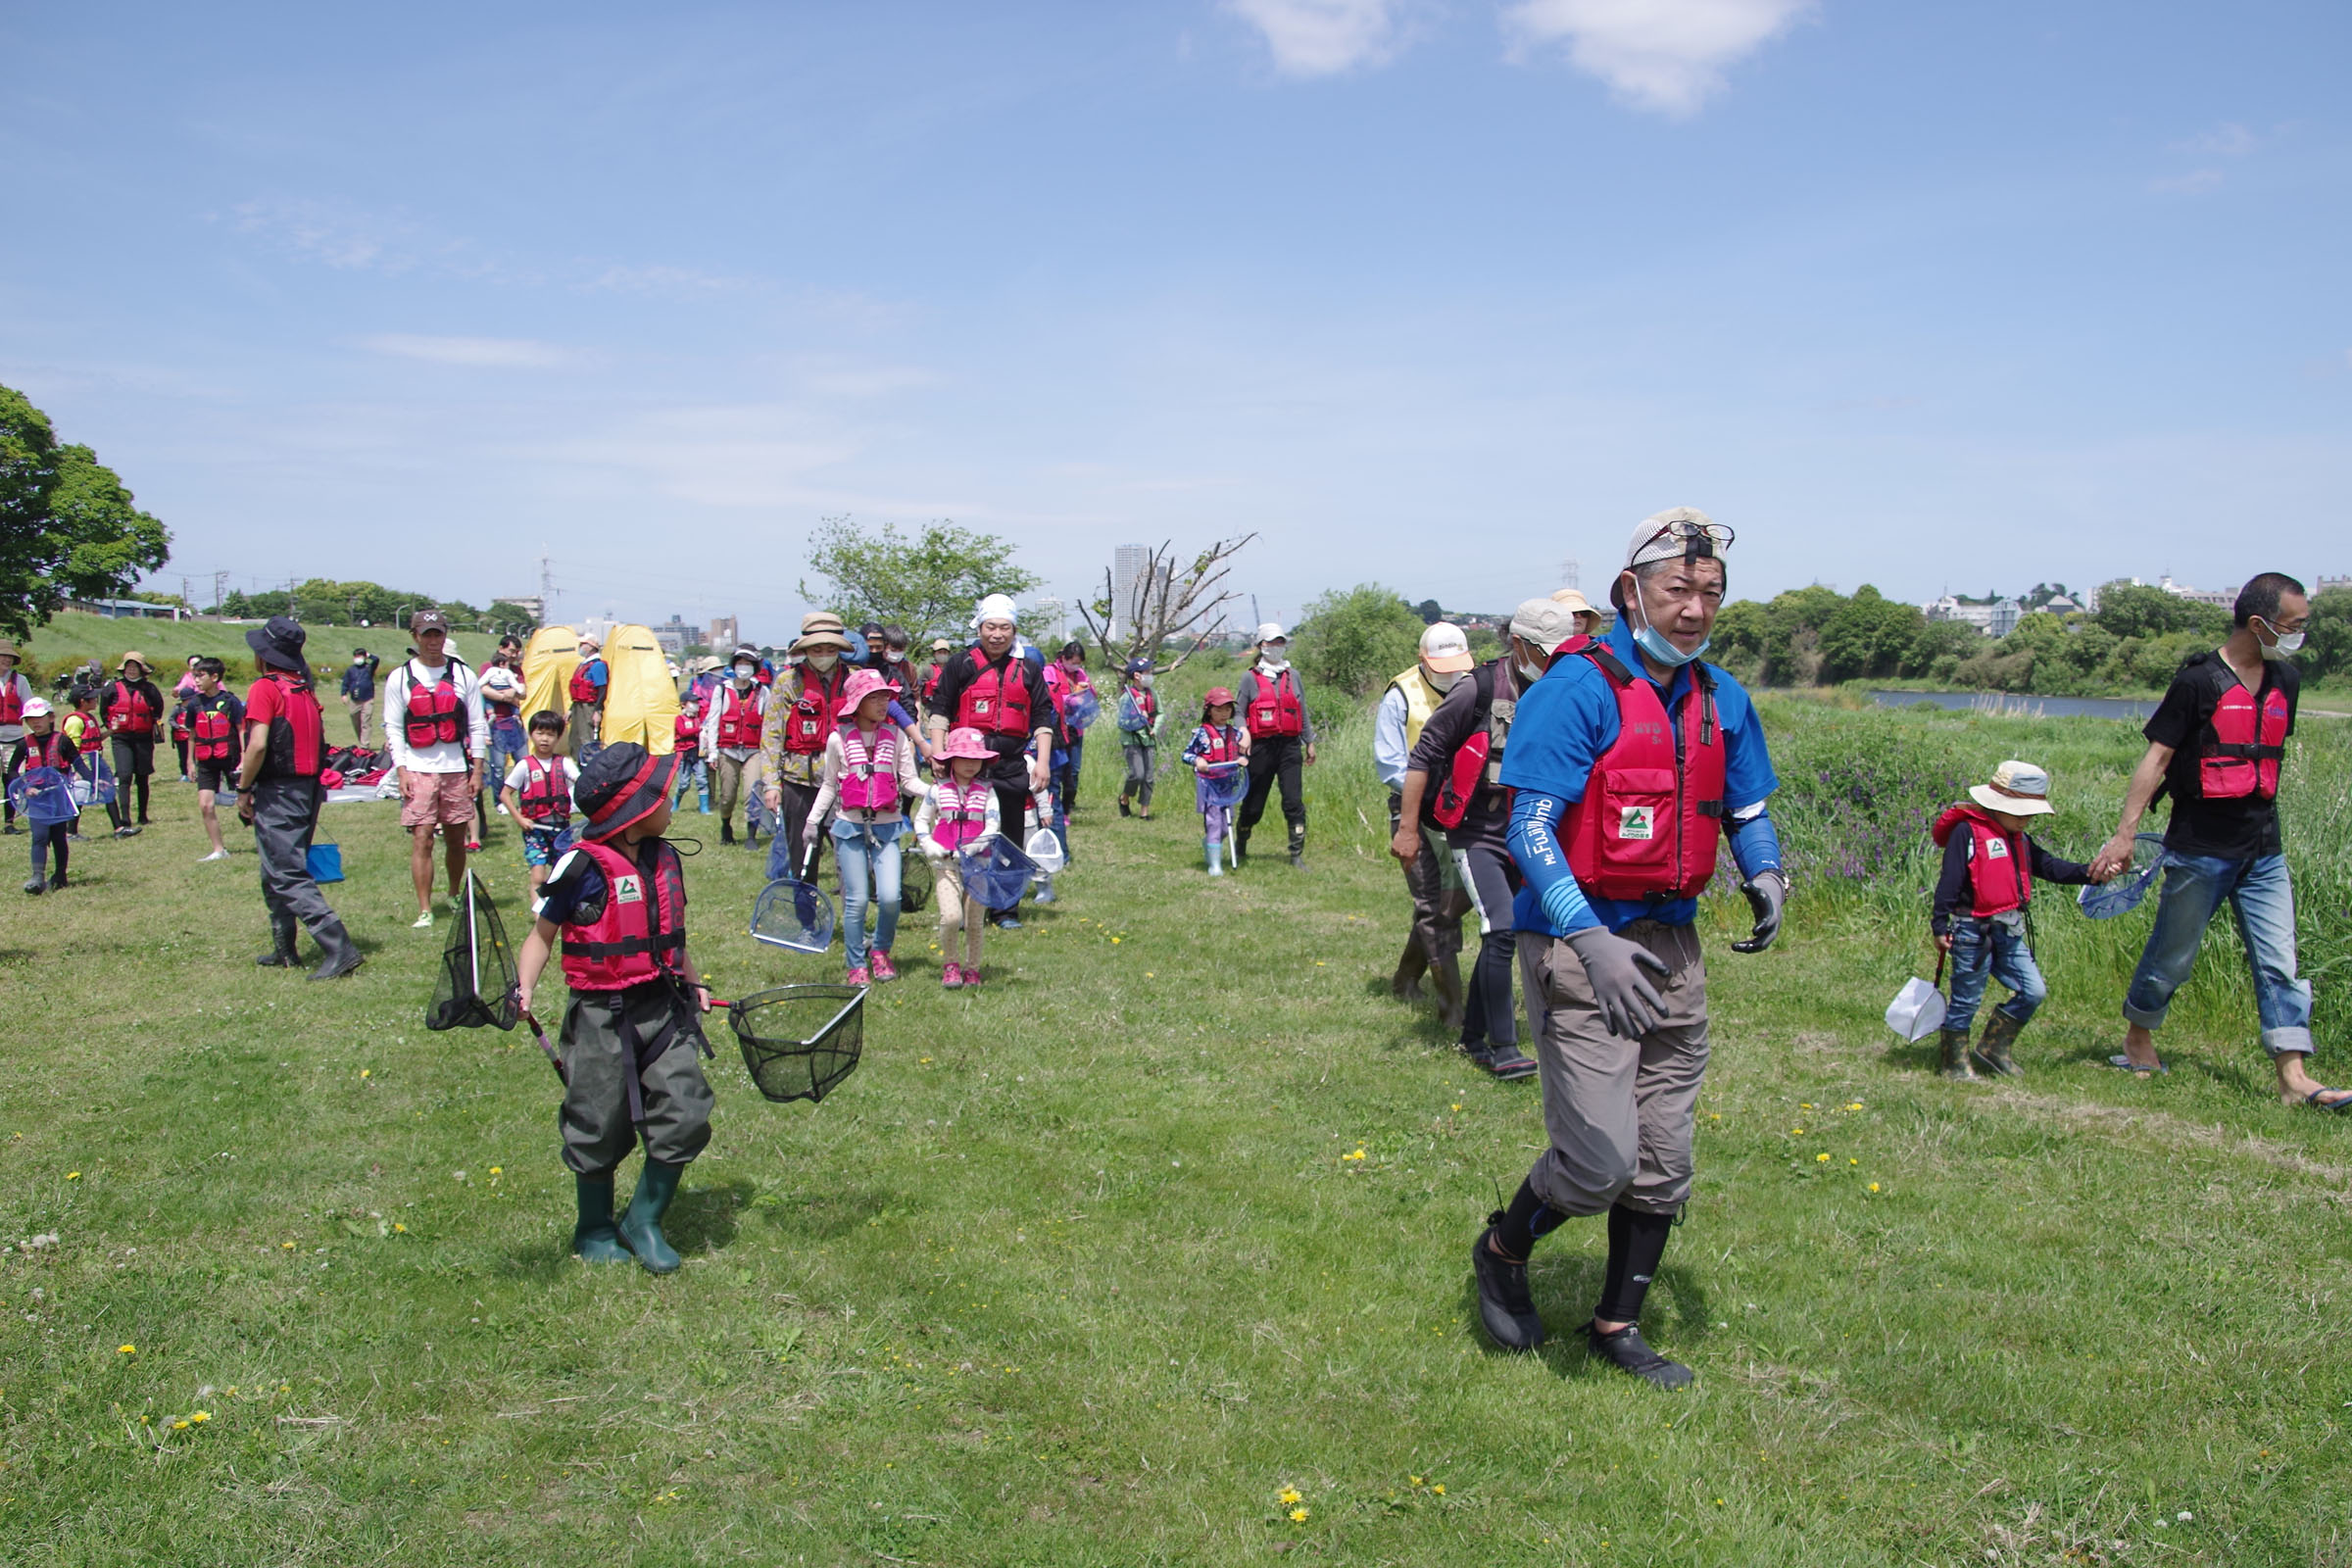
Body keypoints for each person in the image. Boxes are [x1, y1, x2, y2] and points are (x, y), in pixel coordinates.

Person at [1471, 509, 1788, 1390]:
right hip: (1582, 944)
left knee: (1664, 1159)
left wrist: (1766, 874)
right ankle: (1502, 1249)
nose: (1694, 608)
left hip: (1674, 942)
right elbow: (1531, 828)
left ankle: (1618, 1321)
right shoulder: (1574, 691)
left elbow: (1749, 809)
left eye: (1711, 593)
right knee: (1599, 1159)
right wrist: (1591, 939)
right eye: (1678, 589)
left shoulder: (1724, 698)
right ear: (1631, 591)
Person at [2088, 572, 2339, 1108]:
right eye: (2294, 625)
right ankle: (2138, 1035)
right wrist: (2124, 834)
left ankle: (2294, 1079)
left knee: (2279, 963)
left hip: (2264, 851)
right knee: (2174, 956)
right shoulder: (2197, 682)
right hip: (2199, 847)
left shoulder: (2286, 682)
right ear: (2258, 624)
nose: (2300, 635)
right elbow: (2156, 759)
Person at [514, 743, 715, 1275]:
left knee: (686, 1108)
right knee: (597, 1119)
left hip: (663, 1006)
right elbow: (541, 936)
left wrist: (694, 983)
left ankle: (643, 1218)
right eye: (660, 796)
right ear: (634, 816)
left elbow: (672, 936)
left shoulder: (663, 857)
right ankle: (594, 1227)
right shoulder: (579, 867)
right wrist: (524, 987)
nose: (670, 799)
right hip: (600, 1014)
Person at [1395, 602, 1583, 1081]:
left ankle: (1474, 1035)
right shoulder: (1477, 688)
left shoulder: (1568, 688)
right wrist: (1408, 828)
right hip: (1479, 829)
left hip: (1535, 828)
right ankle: (1504, 1047)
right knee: (1501, 928)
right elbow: (1424, 755)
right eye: (1544, 652)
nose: (1552, 662)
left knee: (1506, 931)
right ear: (1517, 644)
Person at [1927, 760, 2102, 1079]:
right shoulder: (1967, 832)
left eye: (2030, 813)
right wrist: (1939, 925)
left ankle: (1993, 1047)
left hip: (2009, 928)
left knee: (2033, 990)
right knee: (1966, 999)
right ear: (1997, 805)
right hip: (1971, 932)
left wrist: (2091, 874)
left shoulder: (2020, 838)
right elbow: (1949, 881)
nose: (2026, 819)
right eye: (2019, 811)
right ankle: (1954, 1065)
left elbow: (2050, 867)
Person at [234, 616, 363, 980]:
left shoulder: (265, 688)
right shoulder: (302, 689)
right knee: (272, 869)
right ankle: (285, 948)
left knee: (287, 873)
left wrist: (244, 790)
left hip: (278, 791)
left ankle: (339, 947)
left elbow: (257, 745)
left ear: (264, 655)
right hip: (307, 790)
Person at [922, 595, 1057, 929]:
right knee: (965, 834)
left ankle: (1005, 909)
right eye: (990, 627)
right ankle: (966, 906)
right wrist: (939, 754)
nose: (997, 634)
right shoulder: (961, 664)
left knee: (1008, 839)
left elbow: (1042, 717)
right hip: (967, 765)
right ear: (980, 627)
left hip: (1011, 763)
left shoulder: (1029, 668)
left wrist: (1042, 763)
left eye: (1005, 628)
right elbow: (940, 709)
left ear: (1014, 630)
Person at [1376, 621, 1477, 1024]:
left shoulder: (1475, 688)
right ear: (1422, 659)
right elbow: (1390, 764)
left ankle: (1404, 979)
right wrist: (1430, 787)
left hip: (1463, 811)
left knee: (1452, 902)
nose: (1450, 672)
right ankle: (1453, 1008)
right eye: (1441, 664)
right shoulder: (1400, 695)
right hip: (1414, 811)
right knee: (1432, 903)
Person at [803, 668, 924, 984]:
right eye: (875, 698)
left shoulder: (897, 737)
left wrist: (939, 793)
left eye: (885, 696)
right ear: (857, 703)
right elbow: (829, 785)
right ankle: (855, 962)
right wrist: (812, 821)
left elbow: (909, 781)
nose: (883, 703)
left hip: (887, 827)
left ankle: (880, 950)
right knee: (856, 900)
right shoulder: (837, 740)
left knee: (890, 897)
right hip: (849, 828)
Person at [382, 611, 488, 929]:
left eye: (438, 634)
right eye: (426, 634)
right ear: (415, 637)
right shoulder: (399, 678)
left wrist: (478, 769)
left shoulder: (463, 675)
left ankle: (454, 892)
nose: (432, 641)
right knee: (422, 837)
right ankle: (425, 908)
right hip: (418, 768)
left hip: (456, 767)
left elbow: (477, 724)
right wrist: (400, 770)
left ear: (445, 635)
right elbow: (393, 728)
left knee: (456, 838)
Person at [761, 615, 856, 868]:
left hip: (845, 780)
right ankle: (805, 906)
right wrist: (771, 783)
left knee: (850, 856)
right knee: (803, 856)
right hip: (799, 781)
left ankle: (852, 905)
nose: (824, 654)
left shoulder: (855, 680)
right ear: (805, 650)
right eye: (817, 649)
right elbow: (771, 735)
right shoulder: (787, 682)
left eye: (830, 649)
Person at [913, 726, 1003, 989]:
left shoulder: (987, 791)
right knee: (951, 917)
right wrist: (929, 844)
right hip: (946, 864)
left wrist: (973, 847)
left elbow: (993, 826)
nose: (970, 764)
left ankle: (972, 968)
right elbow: (921, 821)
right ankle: (951, 964)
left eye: (976, 759)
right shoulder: (937, 790)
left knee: (975, 921)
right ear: (951, 759)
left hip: (979, 865)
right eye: (964, 758)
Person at [1235, 622, 1317, 868]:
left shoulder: (1294, 676)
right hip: (1260, 747)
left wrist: (1309, 741)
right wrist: (1243, 732)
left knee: (1293, 800)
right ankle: (1241, 841)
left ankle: (1296, 854)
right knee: (1254, 803)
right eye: (1272, 642)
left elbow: (1301, 710)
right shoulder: (1250, 678)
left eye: (1281, 642)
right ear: (1262, 646)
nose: (1277, 647)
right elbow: (1238, 711)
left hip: (1289, 746)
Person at [501, 710, 580, 894]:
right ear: (531, 734)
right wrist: (519, 819)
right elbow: (505, 794)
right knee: (538, 875)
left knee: (562, 873)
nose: (545, 739)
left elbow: (582, 783)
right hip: (535, 829)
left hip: (561, 828)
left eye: (551, 735)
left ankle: (558, 914)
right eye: (540, 733)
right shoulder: (524, 765)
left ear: (559, 737)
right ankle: (539, 916)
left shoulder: (564, 764)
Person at [704, 645, 770, 847]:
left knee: (752, 792)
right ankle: (726, 824)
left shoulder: (762, 691)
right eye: (740, 663)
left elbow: (768, 724)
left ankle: (751, 834)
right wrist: (712, 753)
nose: (744, 667)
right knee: (728, 795)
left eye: (748, 663)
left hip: (753, 750)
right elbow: (713, 720)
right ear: (734, 665)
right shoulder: (722, 689)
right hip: (728, 749)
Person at [8, 699, 76, 893]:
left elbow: (78, 763)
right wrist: (25, 787)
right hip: (37, 799)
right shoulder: (24, 744)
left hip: (59, 797)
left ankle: (61, 875)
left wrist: (93, 779)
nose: (35, 723)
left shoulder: (62, 740)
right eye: (30, 720)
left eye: (39, 718)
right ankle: (37, 877)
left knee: (58, 837)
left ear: (51, 717)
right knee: (39, 836)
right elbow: (12, 770)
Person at [1182, 687, 1250, 876]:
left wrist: (1242, 759)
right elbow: (1186, 754)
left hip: (1229, 784)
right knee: (1213, 823)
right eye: (1218, 709)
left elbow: (1240, 754)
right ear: (1209, 710)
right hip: (1209, 784)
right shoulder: (1201, 734)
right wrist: (1198, 760)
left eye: (1227, 709)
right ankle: (1215, 865)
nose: (1223, 714)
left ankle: (1210, 846)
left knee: (1226, 826)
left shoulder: (1235, 733)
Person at [182, 658, 245, 862]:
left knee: (246, 803)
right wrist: (190, 762)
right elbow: (191, 733)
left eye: (201, 676)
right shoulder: (194, 704)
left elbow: (241, 729)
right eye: (195, 676)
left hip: (230, 757)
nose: (196, 681)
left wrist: (244, 757)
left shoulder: (230, 701)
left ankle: (267, 840)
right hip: (206, 760)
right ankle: (219, 849)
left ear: (215, 677)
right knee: (206, 806)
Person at [101, 651, 167, 834]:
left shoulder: (149, 689)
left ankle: (143, 816)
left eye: (135, 667)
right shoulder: (112, 688)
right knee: (124, 775)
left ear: (141, 670)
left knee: (142, 776)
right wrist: (110, 725)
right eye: (128, 667)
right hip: (121, 738)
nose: (131, 670)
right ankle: (125, 817)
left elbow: (158, 709)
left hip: (143, 737)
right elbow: (104, 709)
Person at [479, 638, 530, 826]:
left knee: (524, 763)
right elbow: (483, 689)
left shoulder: (516, 670)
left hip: (514, 722)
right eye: (511, 651)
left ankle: (526, 800)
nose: (514, 655)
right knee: (498, 766)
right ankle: (500, 801)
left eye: (517, 651)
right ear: (501, 649)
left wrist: (511, 694)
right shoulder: (488, 666)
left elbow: (523, 693)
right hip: (496, 723)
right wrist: (507, 696)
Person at [1044, 641, 1097, 818]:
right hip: (1058, 729)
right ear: (1064, 658)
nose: (1076, 666)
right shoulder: (1050, 671)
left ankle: (1068, 806)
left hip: (1076, 728)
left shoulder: (1080, 674)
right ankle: (1055, 805)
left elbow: (1092, 695)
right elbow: (1049, 694)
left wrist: (1088, 692)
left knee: (1074, 770)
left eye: (1078, 663)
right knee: (1059, 769)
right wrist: (1071, 698)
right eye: (1073, 662)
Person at [1114, 658, 1162, 818]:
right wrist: (1137, 719)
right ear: (1136, 675)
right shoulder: (1127, 697)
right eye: (1147, 672)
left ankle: (1144, 812)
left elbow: (1160, 713)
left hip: (1148, 740)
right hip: (1132, 741)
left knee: (1149, 777)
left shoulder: (1152, 693)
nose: (1150, 675)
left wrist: (1155, 728)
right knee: (1137, 774)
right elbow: (1122, 722)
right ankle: (1124, 798)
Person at [0, 638, 32, 837]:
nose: (6, 660)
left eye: (10, 657)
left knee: (12, 781)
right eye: (3, 656)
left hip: (14, 738)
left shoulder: (20, 681)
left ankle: (9, 822)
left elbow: (29, 708)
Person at [567, 631, 608, 761]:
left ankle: (590, 767)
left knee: (587, 739)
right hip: (578, 705)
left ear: (590, 647)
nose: (580, 646)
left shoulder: (597, 665)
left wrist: (597, 710)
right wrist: (570, 709)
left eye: (583, 644)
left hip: (589, 707)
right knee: (575, 739)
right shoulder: (583, 665)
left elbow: (602, 688)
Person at [340, 647, 380, 746]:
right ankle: (361, 740)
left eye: (360, 656)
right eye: (356, 656)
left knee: (365, 722)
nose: (358, 658)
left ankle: (364, 745)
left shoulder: (369, 667)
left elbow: (376, 659)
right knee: (356, 721)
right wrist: (343, 694)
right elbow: (345, 682)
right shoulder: (351, 669)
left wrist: (368, 655)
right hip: (355, 700)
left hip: (367, 699)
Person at [171, 655, 201, 781]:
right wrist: (176, 690)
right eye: (193, 665)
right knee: (184, 753)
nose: (195, 667)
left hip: (204, 712)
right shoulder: (188, 678)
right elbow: (180, 687)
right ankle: (186, 772)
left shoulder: (211, 676)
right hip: (184, 732)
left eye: (198, 664)